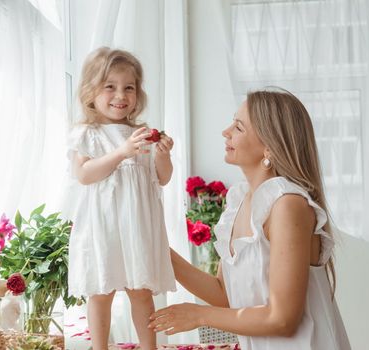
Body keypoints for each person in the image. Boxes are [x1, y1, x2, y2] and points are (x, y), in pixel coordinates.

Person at [149, 89, 351, 350]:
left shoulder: (288, 204)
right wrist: (158, 250)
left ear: (269, 146)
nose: (226, 131)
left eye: (239, 127)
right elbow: (224, 294)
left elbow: (283, 319)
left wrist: (198, 315)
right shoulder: (240, 200)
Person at [65, 47, 176, 350]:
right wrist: (121, 153)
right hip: (104, 226)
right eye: (110, 86)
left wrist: (163, 155)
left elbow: (161, 178)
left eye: (129, 87)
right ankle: (100, 347)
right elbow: (85, 174)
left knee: (141, 291)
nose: (121, 94)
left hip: (136, 226)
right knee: (100, 292)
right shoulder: (88, 133)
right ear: (91, 92)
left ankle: (149, 346)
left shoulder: (143, 133)